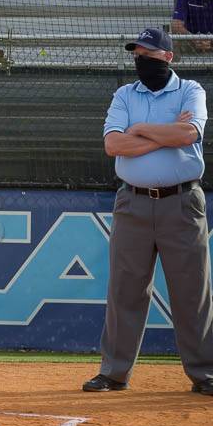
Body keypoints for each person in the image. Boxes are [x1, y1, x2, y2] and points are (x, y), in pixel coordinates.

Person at [84, 28, 213, 396]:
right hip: (133, 202)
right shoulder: (124, 94)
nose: (142, 59)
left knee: (192, 291)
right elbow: (113, 144)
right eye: (137, 53)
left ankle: (205, 373)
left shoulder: (191, 90)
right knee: (126, 290)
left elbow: (188, 135)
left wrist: (138, 130)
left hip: (182, 202)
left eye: (150, 53)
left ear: (168, 57)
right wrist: (162, 132)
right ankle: (114, 372)